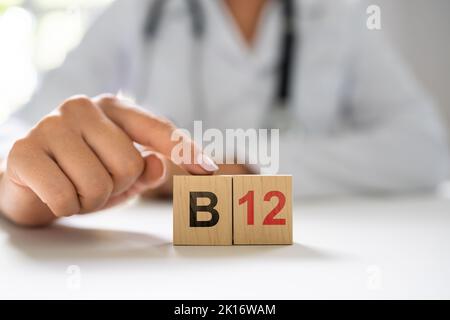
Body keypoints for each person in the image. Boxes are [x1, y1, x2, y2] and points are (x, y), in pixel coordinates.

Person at [0, 0, 448, 227]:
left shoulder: (340, 13)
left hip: (313, 250)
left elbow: (425, 148)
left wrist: (243, 166)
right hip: (158, 264)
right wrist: (25, 180)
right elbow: (18, 137)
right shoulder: (138, 9)